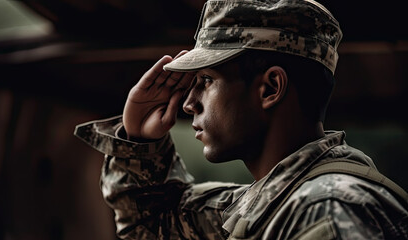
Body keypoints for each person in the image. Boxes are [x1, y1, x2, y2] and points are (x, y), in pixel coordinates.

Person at [74, 0, 408, 239]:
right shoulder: (274, 204)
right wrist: (139, 140)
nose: (189, 103)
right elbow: (153, 223)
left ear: (269, 88)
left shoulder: (326, 209)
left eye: (206, 81)